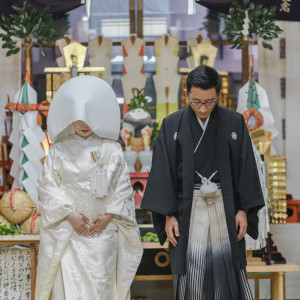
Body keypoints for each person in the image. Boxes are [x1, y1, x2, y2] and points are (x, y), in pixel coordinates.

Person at [141, 65, 265, 299]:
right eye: (196, 101)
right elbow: (162, 172)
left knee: (226, 271)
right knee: (192, 277)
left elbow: (246, 168)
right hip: (187, 210)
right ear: (186, 94)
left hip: (224, 207)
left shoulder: (234, 122)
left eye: (209, 102)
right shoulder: (171, 124)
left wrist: (243, 210)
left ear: (218, 95)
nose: (202, 108)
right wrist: (168, 215)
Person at [35, 76, 143, 300]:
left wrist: (109, 215)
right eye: (78, 119)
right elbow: (47, 186)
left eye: (89, 118)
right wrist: (68, 214)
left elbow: (123, 187)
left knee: (101, 288)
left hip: (102, 233)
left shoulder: (112, 149)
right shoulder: (59, 149)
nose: (84, 125)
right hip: (69, 232)